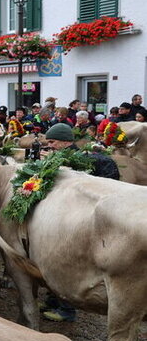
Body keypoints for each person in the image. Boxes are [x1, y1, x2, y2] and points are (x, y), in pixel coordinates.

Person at [40, 122, 119, 322]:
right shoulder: (64, 156)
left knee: (66, 261)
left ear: (65, 142)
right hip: (65, 217)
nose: (48, 145)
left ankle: (67, 309)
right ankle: (53, 300)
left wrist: (51, 164)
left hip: (76, 221)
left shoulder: (78, 161)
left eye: (52, 142)